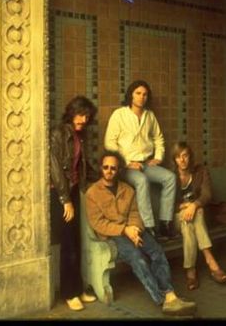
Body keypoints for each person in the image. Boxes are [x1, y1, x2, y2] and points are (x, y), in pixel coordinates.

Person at [85, 150, 197, 316]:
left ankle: (170, 294)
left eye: (113, 168)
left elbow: (135, 213)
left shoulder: (127, 189)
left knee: (156, 251)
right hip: (113, 235)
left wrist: (135, 230)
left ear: (119, 170)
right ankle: (162, 299)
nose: (109, 171)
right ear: (100, 168)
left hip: (134, 229)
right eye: (105, 167)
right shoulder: (92, 193)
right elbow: (98, 223)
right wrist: (125, 230)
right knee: (138, 259)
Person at [104, 79, 176, 239]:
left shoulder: (150, 116)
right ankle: (149, 227)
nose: (141, 97)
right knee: (142, 181)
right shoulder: (119, 114)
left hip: (145, 163)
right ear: (131, 95)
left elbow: (159, 138)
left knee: (170, 178)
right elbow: (109, 142)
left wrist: (157, 157)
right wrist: (127, 163)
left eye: (145, 94)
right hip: (124, 167)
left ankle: (165, 223)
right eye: (138, 93)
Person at [50, 95, 98, 311]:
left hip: (73, 191)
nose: (83, 119)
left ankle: (77, 289)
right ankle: (69, 293)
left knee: (76, 241)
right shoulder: (59, 133)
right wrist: (65, 200)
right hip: (61, 193)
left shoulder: (80, 135)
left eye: (87, 116)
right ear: (71, 113)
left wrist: (105, 178)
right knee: (68, 243)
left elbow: (83, 165)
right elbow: (55, 168)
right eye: (80, 115)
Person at [172, 140, 226, 290]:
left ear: (190, 157)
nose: (182, 160)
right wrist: (185, 206)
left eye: (185, 155)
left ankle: (190, 271)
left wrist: (194, 205)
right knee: (187, 217)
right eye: (178, 157)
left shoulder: (200, 171)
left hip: (197, 216)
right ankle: (211, 260)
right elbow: (169, 206)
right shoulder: (171, 177)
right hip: (177, 217)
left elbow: (207, 195)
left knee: (192, 219)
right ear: (174, 160)